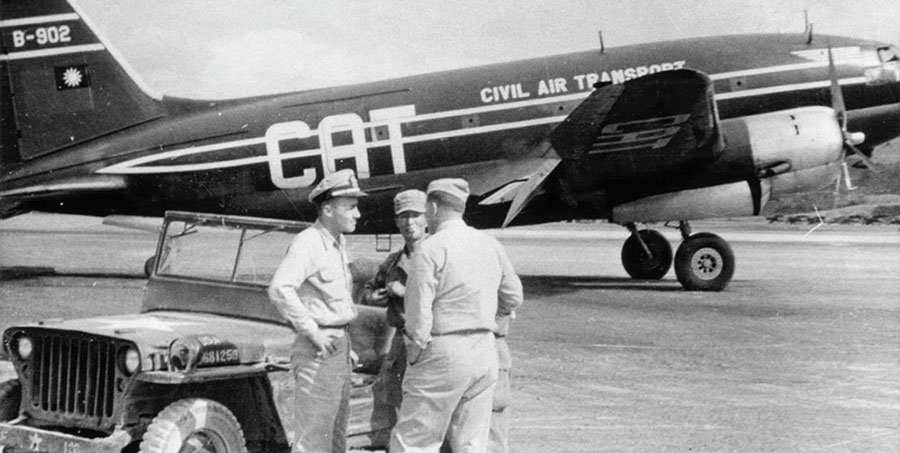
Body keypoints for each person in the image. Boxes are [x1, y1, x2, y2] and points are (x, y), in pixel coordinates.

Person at [390, 178, 523, 453]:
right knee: (472, 443)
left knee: (415, 441)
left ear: (433, 207)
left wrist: (415, 353)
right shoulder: (490, 244)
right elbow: (513, 297)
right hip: (484, 349)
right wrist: (483, 314)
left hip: (443, 349)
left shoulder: (430, 249)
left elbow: (418, 314)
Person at [268, 169, 366, 453]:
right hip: (318, 351)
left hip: (337, 347)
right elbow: (280, 289)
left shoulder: (337, 242)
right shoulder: (309, 242)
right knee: (314, 441)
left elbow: (332, 301)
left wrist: (345, 346)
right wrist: (313, 332)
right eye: (350, 207)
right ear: (327, 209)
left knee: (336, 437)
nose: (358, 214)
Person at [360, 189, 429, 430]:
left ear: (427, 218)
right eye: (403, 216)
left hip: (430, 339)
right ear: (396, 222)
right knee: (395, 397)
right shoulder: (393, 261)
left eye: (415, 215)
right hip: (402, 340)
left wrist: (405, 292)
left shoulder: (440, 255)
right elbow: (370, 289)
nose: (409, 222)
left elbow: (448, 297)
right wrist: (373, 297)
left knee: (428, 403)